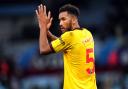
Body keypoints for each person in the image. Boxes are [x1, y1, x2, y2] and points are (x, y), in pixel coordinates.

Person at [35, 4, 97, 89]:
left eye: (63, 19)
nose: (60, 23)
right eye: (60, 20)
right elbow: (63, 43)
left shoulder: (69, 36)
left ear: (74, 19)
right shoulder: (87, 33)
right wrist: (47, 31)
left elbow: (43, 49)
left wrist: (42, 27)